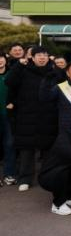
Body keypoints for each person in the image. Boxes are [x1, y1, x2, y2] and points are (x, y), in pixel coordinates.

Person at [5, 47, 58, 192]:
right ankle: (25, 179)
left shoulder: (54, 72)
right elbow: (9, 82)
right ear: (32, 58)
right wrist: (18, 65)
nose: (42, 58)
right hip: (27, 116)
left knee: (48, 149)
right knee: (27, 149)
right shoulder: (23, 70)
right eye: (38, 55)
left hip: (49, 116)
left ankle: (47, 177)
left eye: (45, 55)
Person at [0, 54, 17, 186]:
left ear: (5, 60)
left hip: (9, 115)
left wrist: (14, 102)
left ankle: (9, 174)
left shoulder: (12, 75)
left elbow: (19, 92)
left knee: (10, 145)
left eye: (1, 58)